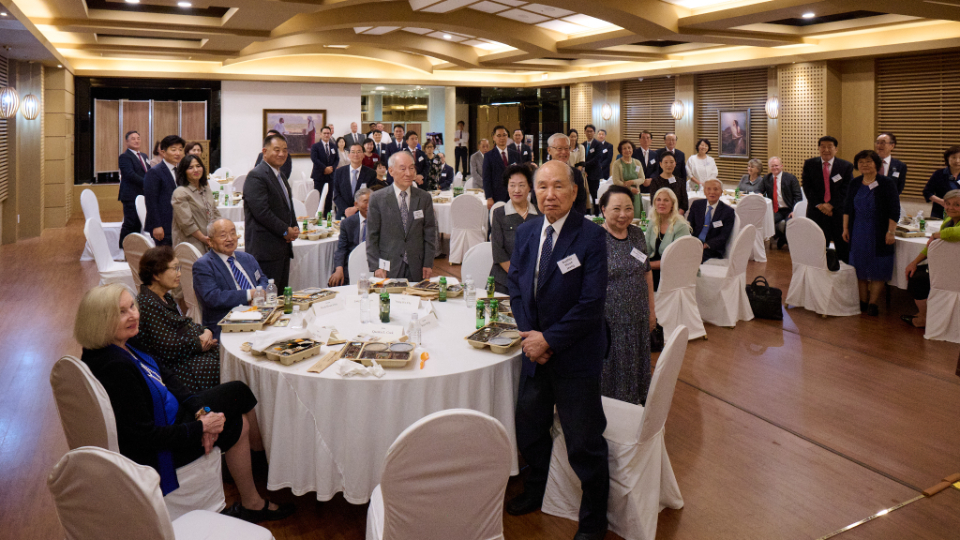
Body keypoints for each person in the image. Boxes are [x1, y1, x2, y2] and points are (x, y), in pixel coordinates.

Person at [74, 283, 295, 524]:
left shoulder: (122, 344)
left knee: (237, 406)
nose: (133, 315)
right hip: (158, 449)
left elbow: (166, 376)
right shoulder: (114, 367)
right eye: (121, 312)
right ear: (100, 320)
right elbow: (144, 437)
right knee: (238, 403)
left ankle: (255, 491)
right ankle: (263, 468)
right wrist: (201, 428)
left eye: (132, 307)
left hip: (172, 415)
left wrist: (201, 411)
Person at [506, 160, 609, 540]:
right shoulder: (527, 231)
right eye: (542, 187)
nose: (549, 194)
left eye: (558, 186)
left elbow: (591, 304)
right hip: (535, 353)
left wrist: (548, 340)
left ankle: (594, 520)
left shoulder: (591, 236)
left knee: (585, 443)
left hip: (575, 355)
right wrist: (530, 337)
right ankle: (537, 490)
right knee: (529, 429)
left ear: (574, 190)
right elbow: (516, 288)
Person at [130, 246, 220, 393]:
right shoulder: (147, 304)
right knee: (222, 367)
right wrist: (199, 343)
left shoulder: (164, 297)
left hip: (185, 356)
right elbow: (168, 348)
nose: (179, 273)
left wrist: (206, 330)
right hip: (173, 369)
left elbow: (183, 323)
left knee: (226, 358)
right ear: (156, 274)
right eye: (174, 269)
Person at [598, 185, 654, 405]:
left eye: (628, 208)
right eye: (616, 209)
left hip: (638, 315)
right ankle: (614, 411)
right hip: (609, 320)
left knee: (638, 362)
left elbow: (646, 271)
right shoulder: (595, 239)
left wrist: (651, 311)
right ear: (603, 210)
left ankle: (636, 405)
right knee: (613, 367)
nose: (623, 214)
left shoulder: (637, 234)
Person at [842, 150, 901, 316]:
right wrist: (845, 228)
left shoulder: (887, 183)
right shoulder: (855, 183)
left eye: (868, 161)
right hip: (858, 230)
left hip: (879, 230)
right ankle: (863, 301)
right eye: (861, 162)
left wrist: (891, 231)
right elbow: (847, 208)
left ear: (876, 163)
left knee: (879, 266)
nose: (864, 165)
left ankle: (873, 303)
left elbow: (894, 210)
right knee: (859, 266)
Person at [366, 151, 437, 282]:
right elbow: (372, 235)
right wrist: (376, 266)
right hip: (388, 266)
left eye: (411, 168)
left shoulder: (424, 198)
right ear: (391, 171)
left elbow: (430, 233)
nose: (408, 173)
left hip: (417, 265)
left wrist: (428, 263)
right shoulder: (377, 198)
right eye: (403, 168)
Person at [193, 219, 269, 339]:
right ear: (210, 241)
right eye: (223, 235)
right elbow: (213, 297)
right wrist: (249, 294)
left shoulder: (247, 258)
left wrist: (261, 292)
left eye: (233, 233)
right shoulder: (204, 265)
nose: (230, 239)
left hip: (260, 313)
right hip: (229, 322)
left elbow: (262, 279)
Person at [243, 133, 298, 290]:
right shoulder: (256, 176)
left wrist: (294, 226)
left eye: (285, 150)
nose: (281, 154)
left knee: (280, 295)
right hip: (265, 251)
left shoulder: (280, 175)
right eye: (277, 150)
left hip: (281, 249)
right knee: (267, 298)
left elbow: (288, 205)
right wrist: (285, 230)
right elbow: (262, 212)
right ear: (265, 152)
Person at [903, 189, 960, 328]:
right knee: (914, 273)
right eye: (948, 204)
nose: (950, 208)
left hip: (955, 270)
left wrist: (935, 234)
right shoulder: (948, 221)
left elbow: (954, 233)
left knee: (919, 280)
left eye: (957, 204)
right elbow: (932, 246)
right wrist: (914, 262)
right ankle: (928, 315)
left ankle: (924, 318)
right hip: (947, 265)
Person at [802, 135, 854, 262]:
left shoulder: (845, 166)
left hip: (838, 213)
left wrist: (831, 205)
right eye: (823, 146)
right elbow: (807, 187)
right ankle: (817, 271)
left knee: (842, 247)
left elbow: (846, 189)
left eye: (830, 147)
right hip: (816, 212)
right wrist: (820, 205)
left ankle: (843, 270)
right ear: (819, 148)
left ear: (836, 149)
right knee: (816, 246)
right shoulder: (809, 164)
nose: (826, 150)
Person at [490, 165, 539, 294]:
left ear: (529, 187)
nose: (517, 190)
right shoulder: (499, 214)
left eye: (521, 185)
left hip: (534, 280)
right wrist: (519, 276)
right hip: (503, 281)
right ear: (507, 187)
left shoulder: (539, 214)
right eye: (512, 185)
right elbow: (498, 252)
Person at [171, 154, 221, 253]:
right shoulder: (180, 192)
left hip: (209, 240)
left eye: (198, 166)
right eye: (190, 168)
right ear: (184, 171)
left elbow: (215, 212)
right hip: (191, 243)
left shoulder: (206, 189)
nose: (196, 170)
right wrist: (204, 239)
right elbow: (187, 224)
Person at [144, 135, 185, 247]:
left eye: (180, 149)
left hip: (178, 223)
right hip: (163, 224)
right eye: (173, 150)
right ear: (163, 152)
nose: (178, 153)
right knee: (164, 255)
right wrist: (157, 225)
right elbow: (151, 201)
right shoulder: (155, 172)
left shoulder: (180, 171)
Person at [646, 187, 691, 290]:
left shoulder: (681, 226)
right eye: (658, 200)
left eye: (666, 200)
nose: (661, 203)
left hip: (672, 270)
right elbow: (645, 249)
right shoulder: (653, 223)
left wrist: (647, 266)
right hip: (653, 266)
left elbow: (676, 260)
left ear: (672, 205)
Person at [328, 188, 372, 286]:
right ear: (356, 205)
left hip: (374, 264)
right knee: (336, 280)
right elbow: (341, 249)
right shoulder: (347, 223)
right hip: (352, 263)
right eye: (365, 202)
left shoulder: (381, 221)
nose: (369, 205)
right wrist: (339, 269)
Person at [689, 178, 736, 262]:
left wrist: (705, 245)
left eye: (715, 189)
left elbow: (723, 236)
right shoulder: (697, 205)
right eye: (708, 189)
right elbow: (689, 225)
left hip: (712, 249)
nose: (712, 192)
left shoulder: (728, 211)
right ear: (704, 191)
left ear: (721, 192)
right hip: (694, 244)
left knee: (691, 257)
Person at [118, 130, 151, 247]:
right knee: (130, 224)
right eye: (133, 139)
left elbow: (148, 172)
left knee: (138, 224)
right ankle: (122, 249)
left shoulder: (144, 156)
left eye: (138, 138)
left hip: (142, 195)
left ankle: (133, 249)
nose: (136, 141)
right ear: (127, 142)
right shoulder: (124, 157)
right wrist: (148, 183)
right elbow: (130, 175)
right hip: (130, 196)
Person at [763, 157, 802, 249]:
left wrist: (794, 211)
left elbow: (798, 196)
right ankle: (780, 237)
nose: (774, 168)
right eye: (772, 166)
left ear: (781, 166)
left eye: (776, 165)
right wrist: (759, 194)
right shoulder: (766, 178)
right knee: (766, 221)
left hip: (789, 209)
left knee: (790, 224)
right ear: (769, 167)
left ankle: (783, 240)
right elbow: (760, 190)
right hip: (776, 210)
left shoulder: (791, 178)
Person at [545, 133, 589, 214]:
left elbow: (581, 202)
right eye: (559, 148)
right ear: (549, 150)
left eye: (567, 148)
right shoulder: (541, 173)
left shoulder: (576, 174)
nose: (564, 152)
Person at [332, 143, 375, 220]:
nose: (356, 154)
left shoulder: (371, 173)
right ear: (349, 155)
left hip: (363, 214)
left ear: (363, 155)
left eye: (359, 152)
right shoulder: (339, 172)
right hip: (343, 214)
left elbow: (372, 195)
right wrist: (346, 210)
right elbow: (336, 195)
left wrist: (356, 208)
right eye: (353, 152)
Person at [483, 125, 521, 208]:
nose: (502, 138)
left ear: (508, 137)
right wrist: (489, 197)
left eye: (504, 135)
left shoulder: (515, 154)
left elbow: (520, 175)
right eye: (499, 136)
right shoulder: (488, 156)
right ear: (494, 137)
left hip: (514, 194)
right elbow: (486, 178)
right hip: (496, 196)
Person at [923, 146, 960, 220]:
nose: (957, 161)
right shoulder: (939, 174)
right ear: (947, 158)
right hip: (940, 212)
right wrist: (943, 202)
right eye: (954, 157)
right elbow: (927, 192)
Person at [610, 139, 645, 218]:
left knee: (636, 217)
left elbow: (642, 179)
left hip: (636, 195)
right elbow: (616, 181)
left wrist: (632, 182)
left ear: (632, 149)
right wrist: (630, 189)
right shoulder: (617, 164)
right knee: (624, 216)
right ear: (621, 150)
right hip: (622, 194)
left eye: (629, 148)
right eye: (624, 148)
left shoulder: (637, 162)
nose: (627, 150)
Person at [647, 151, 689, 216]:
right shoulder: (655, 182)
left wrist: (676, 215)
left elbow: (685, 203)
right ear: (660, 164)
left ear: (675, 164)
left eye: (671, 162)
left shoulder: (680, 181)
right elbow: (654, 202)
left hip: (677, 216)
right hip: (660, 216)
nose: (669, 165)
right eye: (666, 162)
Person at [309, 126, 339, 215]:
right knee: (318, 197)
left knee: (329, 197)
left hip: (330, 176)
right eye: (324, 133)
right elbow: (314, 159)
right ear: (321, 134)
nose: (326, 135)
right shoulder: (315, 146)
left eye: (328, 133)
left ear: (330, 134)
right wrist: (325, 168)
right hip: (319, 176)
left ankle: (326, 216)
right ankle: (318, 216)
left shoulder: (333, 146)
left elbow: (337, 159)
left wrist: (332, 168)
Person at [585, 128, 613, 206]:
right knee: (592, 192)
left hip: (604, 171)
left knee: (602, 191)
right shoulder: (593, 145)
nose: (601, 136)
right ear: (597, 135)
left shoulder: (609, 146)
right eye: (599, 134)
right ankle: (594, 207)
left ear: (605, 136)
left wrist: (601, 166)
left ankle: (602, 205)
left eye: (602, 134)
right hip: (592, 171)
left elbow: (608, 159)